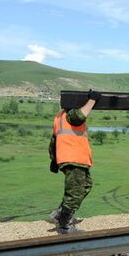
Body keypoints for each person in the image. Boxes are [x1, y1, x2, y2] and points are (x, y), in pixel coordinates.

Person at [49, 89, 101, 234]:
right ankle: (65, 224)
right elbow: (79, 116)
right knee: (75, 192)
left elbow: (53, 141)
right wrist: (92, 100)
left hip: (74, 158)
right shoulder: (71, 113)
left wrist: (53, 160)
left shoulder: (59, 116)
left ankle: (61, 212)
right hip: (74, 158)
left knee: (86, 185)